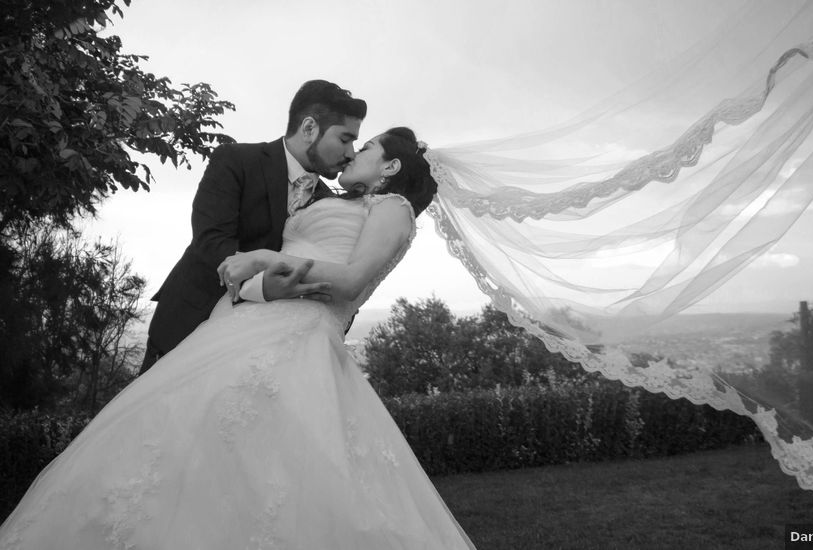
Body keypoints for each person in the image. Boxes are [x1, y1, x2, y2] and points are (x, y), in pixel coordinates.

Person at [0, 127, 476, 549]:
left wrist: (263, 257)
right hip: (240, 323)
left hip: (298, 340)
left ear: (391, 166)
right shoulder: (332, 198)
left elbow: (351, 282)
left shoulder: (393, 209)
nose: (355, 150)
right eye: (351, 139)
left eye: (367, 145)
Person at [140, 79, 366, 374]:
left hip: (259, 348)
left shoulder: (328, 203)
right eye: (345, 139)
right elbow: (211, 240)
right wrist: (259, 286)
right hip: (191, 321)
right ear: (309, 128)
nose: (351, 153)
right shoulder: (235, 160)